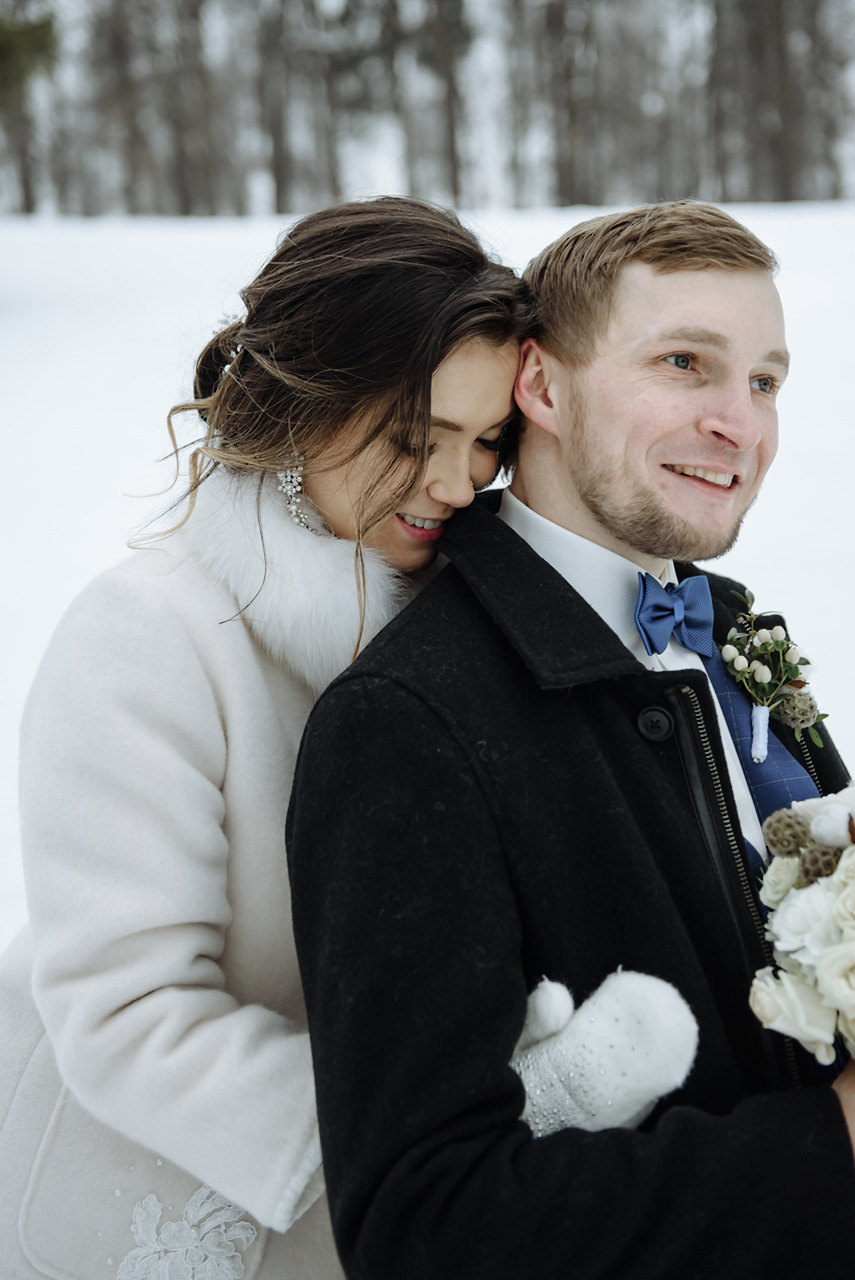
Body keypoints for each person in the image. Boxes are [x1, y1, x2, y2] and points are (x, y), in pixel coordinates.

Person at [286, 200, 855, 1280]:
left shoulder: (735, 634)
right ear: (541, 389)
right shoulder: (407, 724)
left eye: (766, 380)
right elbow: (426, 1225)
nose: (742, 422)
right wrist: (830, 1145)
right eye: (686, 363)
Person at [0, 197, 529, 1280]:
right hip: (146, 1203)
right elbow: (127, 1012)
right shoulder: (147, 636)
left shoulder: (455, 623)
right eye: (413, 438)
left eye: (487, 443)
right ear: (306, 401)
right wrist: (425, 1146)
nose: (457, 481)